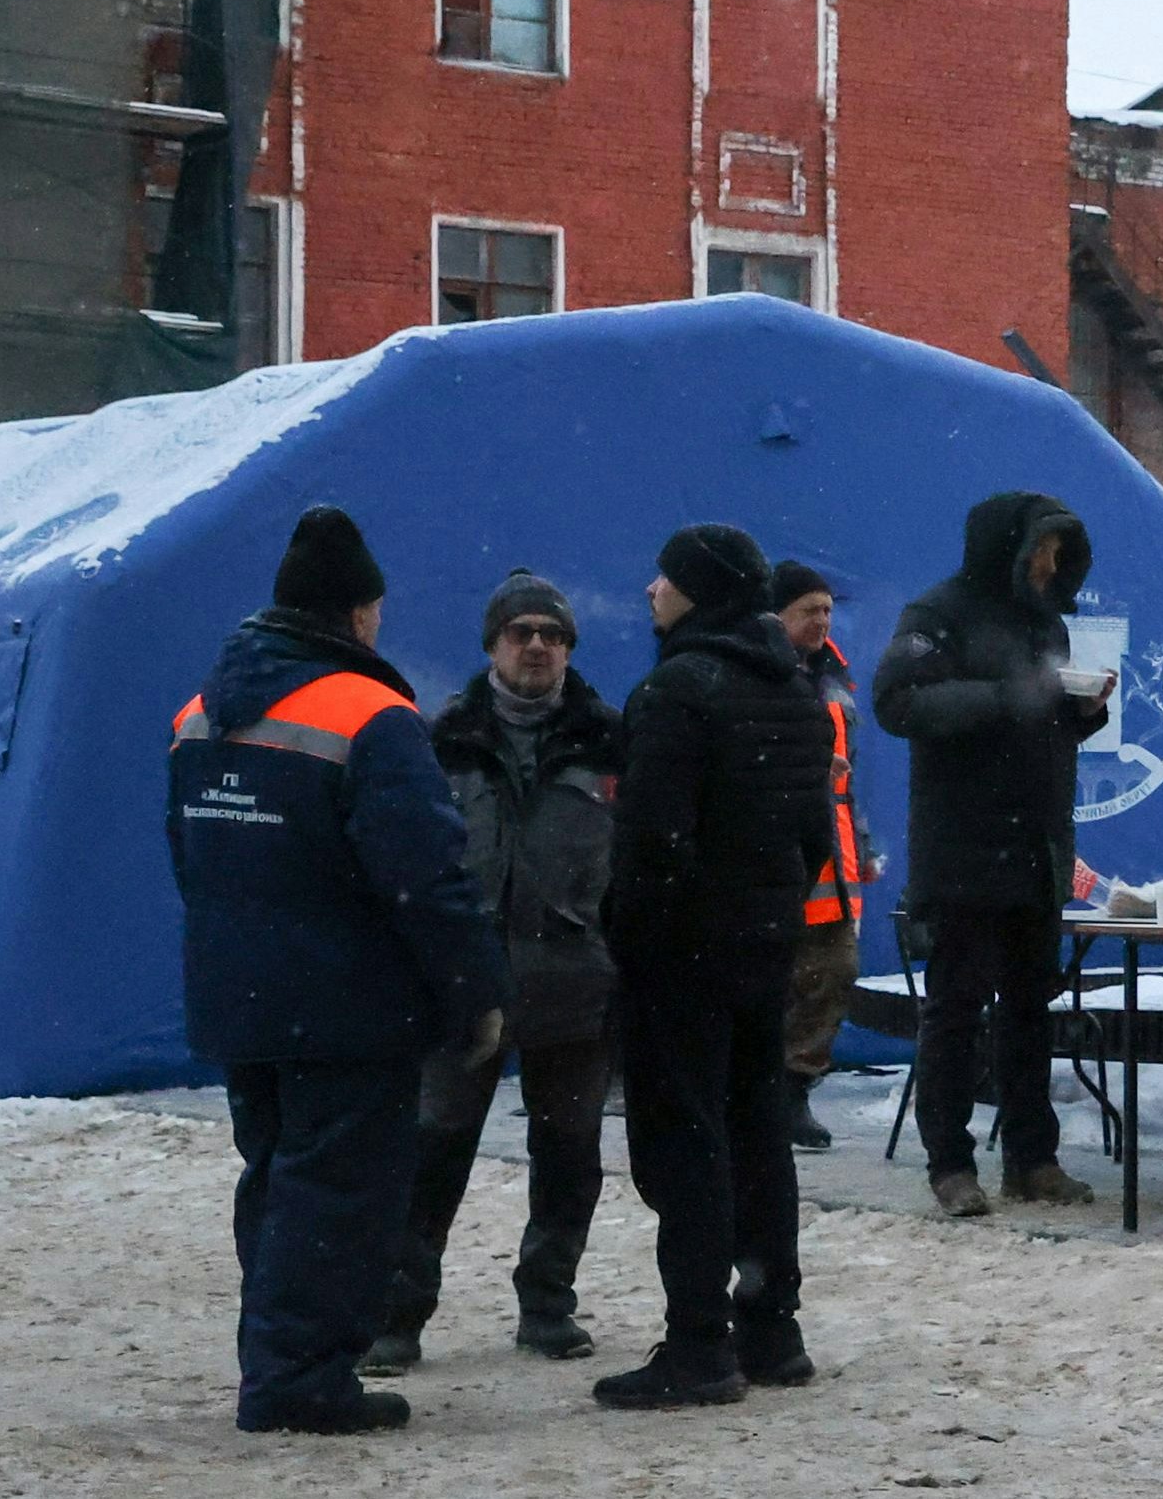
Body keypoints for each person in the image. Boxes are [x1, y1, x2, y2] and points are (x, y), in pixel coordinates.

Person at [166, 505, 507, 1436]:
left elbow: (185, 854)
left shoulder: (199, 713)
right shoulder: (371, 714)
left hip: (239, 998)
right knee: (341, 1193)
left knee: (276, 1179)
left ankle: (277, 1357)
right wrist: (474, 993)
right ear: (359, 615)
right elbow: (428, 876)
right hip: (347, 1005)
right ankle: (300, 1381)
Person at [596, 524, 836, 1409]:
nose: (652, 591)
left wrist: (636, 935)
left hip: (681, 955)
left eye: (666, 578)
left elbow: (652, 839)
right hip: (764, 944)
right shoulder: (796, 691)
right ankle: (772, 1327)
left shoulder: (678, 689)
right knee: (758, 1130)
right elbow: (814, 835)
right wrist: (764, 908)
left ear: (698, 591)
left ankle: (698, 1343)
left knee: (684, 1140)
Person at [370, 571, 623, 1373]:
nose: (539, 646)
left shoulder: (611, 742)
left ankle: (548, 1305)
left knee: (569, 1153)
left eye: (553, 633)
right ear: (492, 646)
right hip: (462, 990)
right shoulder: (437, 740)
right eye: (523, 633)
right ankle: (397, 1317)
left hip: (577, 987)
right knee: (432, 1152)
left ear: (570, 648)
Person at [875, 492, 1111, 1218]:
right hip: (962, 846)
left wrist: (1079, 715)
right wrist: (1003, 697)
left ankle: (1032, 1160)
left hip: (1036, 848)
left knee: (1030, 1013)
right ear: (1005, 546)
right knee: (954, 1010)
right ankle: (951, 1163)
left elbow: (1040, 722)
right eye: (1042, 549)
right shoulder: (937, 613)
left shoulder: (1047, 623)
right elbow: (899, 703)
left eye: (1059, 552)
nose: (1051, 564)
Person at [771, 560, 883, 1152]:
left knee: (834, 974)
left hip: (833, 858)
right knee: (772, 982)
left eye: (827, 610)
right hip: (774, 855)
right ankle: (760, 1094)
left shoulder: (836, 678)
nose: (821, 620)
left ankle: (793, 1092)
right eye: (808, 610)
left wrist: (859, 846)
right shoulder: (760, 674)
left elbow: (848, 775)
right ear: (777, 616)